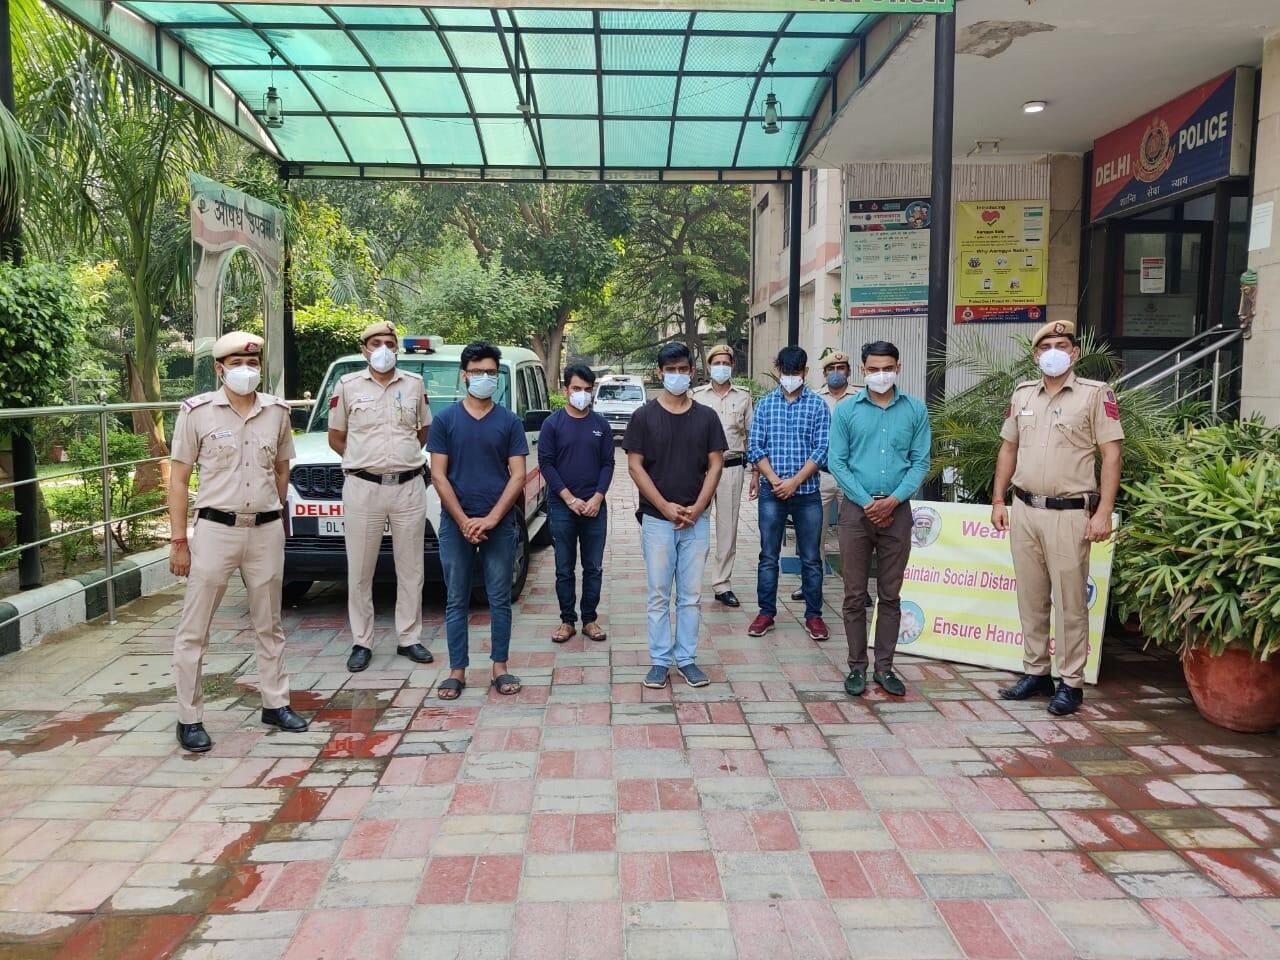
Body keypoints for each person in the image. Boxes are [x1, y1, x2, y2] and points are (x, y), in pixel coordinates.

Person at [167, 332, 308, 753]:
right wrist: (179, 540)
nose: (246, 370)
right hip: (216, 530)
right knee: (195, 629)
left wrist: (272, 513)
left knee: (270, 623)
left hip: (264, 530)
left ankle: (275, 703)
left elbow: (281, 469)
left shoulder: (277, 412)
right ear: (219, 369)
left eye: (252, 363)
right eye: (236, 363)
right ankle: (189, 717)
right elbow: (178, 480)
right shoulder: (196, 413)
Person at [992, 320, 1123, 716]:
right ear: (1036, 355)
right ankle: (1036, 672)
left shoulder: (1094, 395)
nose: (1053, 352)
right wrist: (998, 499)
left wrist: (1103, 511)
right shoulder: (1022, 394)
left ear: (1074, 353)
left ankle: (1071, 682)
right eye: (1046, 346)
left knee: (1070, 602)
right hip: (1025, 510)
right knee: (1031, 597)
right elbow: (1008, 448)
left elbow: (1112, 455)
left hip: (1068, 513)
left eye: (1062, 345)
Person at [328, 320, 434, 673]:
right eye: (376, 343)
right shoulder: (347, 386)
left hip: (408, 486)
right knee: (360, 569)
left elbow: (423, 430)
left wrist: (399, 459)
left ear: (397, 348)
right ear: (364, 349)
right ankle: (362, 641)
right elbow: (336, 436)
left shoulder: (414, 384)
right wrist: (366, 460)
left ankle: (409, 637)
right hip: (363, 487)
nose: (383, 349)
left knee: (411, 568)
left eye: (389, 343)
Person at [828, 341, 931, 698]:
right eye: (873, 369)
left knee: (890, 594)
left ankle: (884, 667)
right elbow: (837, 461)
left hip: (897, 511)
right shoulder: (847, 410)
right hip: (856, 512)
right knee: (854, 594)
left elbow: (920, 461)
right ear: (863, 370)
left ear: (898, 368)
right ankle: (857, 666)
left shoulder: (915, 409)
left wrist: (893, 501)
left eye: (887, 368)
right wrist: (866, 502)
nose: (881, 375)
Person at [426, 342, 528, 701]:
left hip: (499, 524)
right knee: (456, 599)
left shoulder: (509, 422)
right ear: (463, 376)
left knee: (499, 598)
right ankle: (457, 670)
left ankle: (500, 666)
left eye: (491, 372)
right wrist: (464, 520)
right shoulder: (445, 420)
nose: (484, 378)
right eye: (477, 371)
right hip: (456, 524)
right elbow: (438, 475)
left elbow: (518, 475)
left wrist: (491, 519)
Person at [624, 342, 726, 689]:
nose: (678, 375)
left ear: (693, 371)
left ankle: (686, 659)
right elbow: (635, 466)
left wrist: (699, 506)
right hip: (657, 520)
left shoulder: (707, 417)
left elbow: (716, 465)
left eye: (683, 369)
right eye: (671, 370)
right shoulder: (643, 417)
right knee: (658, 594)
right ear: (660, 373)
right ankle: (659, 660)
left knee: (691, 596)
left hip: (696, 520)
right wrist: (665, 506)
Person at [746, 346, 831, 642]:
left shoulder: (818, 406)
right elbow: (755, 446)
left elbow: (822, 449)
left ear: (805, 372)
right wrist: (773, 479)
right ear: (778, 371)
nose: (791, 377)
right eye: (786, 372)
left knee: (811, 558)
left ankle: (814, 616)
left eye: (796, 372)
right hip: (772, 493)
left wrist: (794, 482)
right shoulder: (765, 405)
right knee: (768, 556)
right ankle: (766, 613)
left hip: (807, 494)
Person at [539, 364, 615, 644]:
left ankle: (590, 619)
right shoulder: (552, 424)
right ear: (565, 390)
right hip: (562, 507)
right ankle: (567, 620)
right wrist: (569, 498)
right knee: (564, 567)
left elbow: (608, 463)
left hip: (595, 507)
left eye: (587, 389)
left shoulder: (601, 425)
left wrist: (598, 497)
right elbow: (546, 464)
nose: (582, 394)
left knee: (593, 567)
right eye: (576, 389)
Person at [793, 349, 861, 603]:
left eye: (841, 368)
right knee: (812, 534)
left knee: (854, 535)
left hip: (852, 476)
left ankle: (856, 588)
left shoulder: (861, 397)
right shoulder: (812, 398)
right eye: (831, 369)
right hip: (820, 475)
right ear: (823, 373)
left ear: (849, 371)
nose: (836, 373)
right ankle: (810, 585)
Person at [691, 344, 754, 608]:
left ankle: (722, 584)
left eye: (726, 363)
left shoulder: (744, 397)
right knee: (695, 526)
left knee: (728, 529)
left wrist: (755, 474)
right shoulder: (696, 396)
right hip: (701, 470)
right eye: (717, 363)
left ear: (732, 367)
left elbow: (751, 436)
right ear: (708, 367)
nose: (721, 367)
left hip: (731, 468)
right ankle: (691, 581)